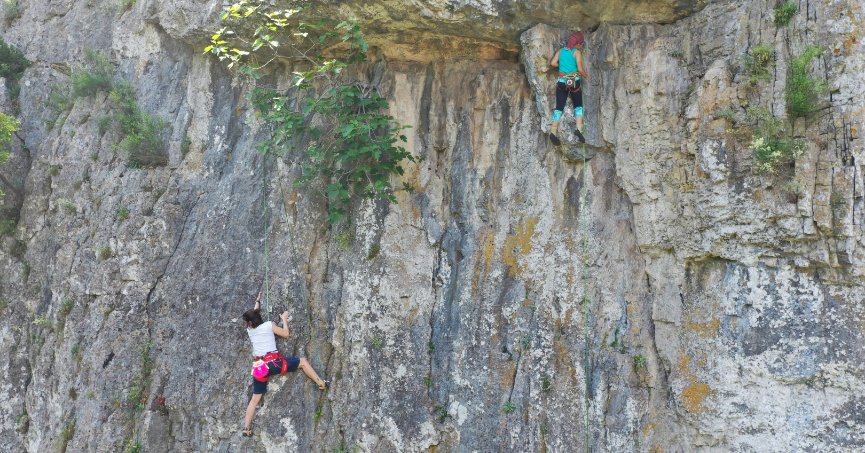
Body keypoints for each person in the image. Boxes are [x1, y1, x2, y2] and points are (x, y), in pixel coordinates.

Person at [242, 291, 327, 437]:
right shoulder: (269, 325)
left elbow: (254, 314)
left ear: (249, 323)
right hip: (274, 363)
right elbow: (285, 334)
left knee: (255, 398)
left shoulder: (250, 331)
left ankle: (246, 428)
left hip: (259, 368)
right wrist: (284, 319)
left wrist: (258, 300)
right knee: (302, 362)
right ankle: (321, 383)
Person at [548, 31, 590, 144]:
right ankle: (579, 130)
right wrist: (587, 77)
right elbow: (580, 70)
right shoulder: (576, 53)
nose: (580, 45)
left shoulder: (560, 51)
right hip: (574, 82)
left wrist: (561, 67)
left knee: (559, 108)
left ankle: (553, 132)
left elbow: (552, 63)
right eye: (580, 44)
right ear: (577, 44)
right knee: (578, 106)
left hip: (562, 82)